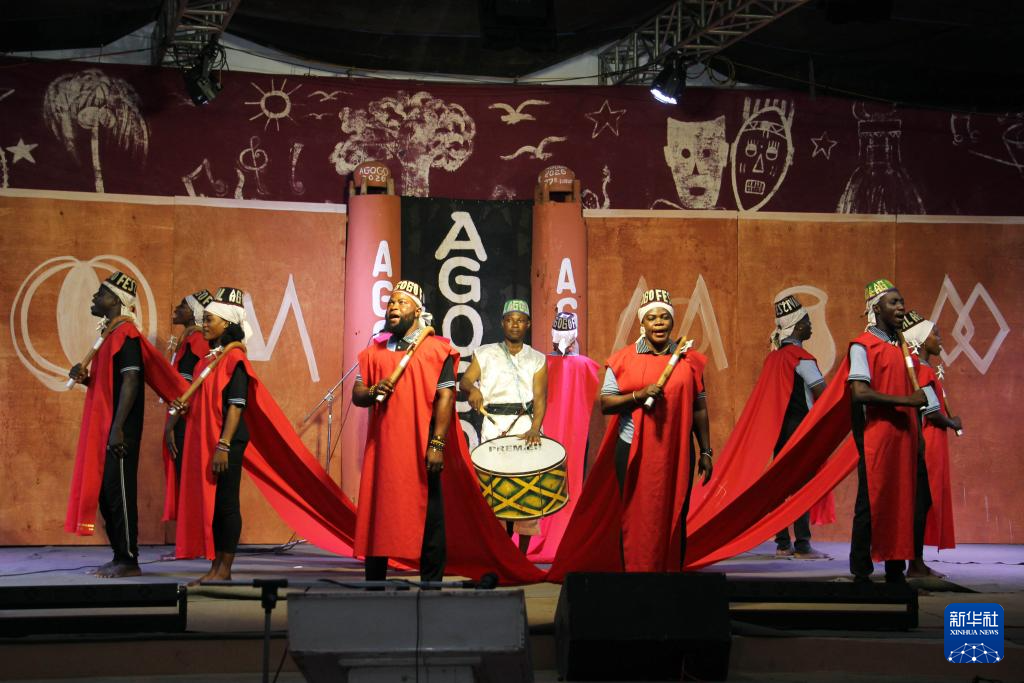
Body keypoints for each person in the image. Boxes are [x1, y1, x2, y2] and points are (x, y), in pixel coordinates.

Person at [548, 288, 712, 576]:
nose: (659, 323)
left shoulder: (689, 362)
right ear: (642, 323)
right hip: (633, 450)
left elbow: (699, 408)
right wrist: (638, 396)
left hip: (678, 451)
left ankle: (671, 577)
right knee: (636, 516)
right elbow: (606, 403)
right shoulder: (623, 359)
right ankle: (635, 578)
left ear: (672, 321)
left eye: (664, 317)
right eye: (652, 318)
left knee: (676, 513)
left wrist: (706, 451)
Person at [66, 271, 185, 578]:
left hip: (120, 428)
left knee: (119, 492)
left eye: (101, 294)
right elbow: (113, 385)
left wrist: (118, 428)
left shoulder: (127, 336)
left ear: (116, 300)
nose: (95, 298)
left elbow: (132, 380)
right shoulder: (111, 335)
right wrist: (87, 379)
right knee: (107, 493)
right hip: (109, 426)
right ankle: (120, 555)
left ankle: (130, 560)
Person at [352, 280, 456, 582]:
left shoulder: (437, 350)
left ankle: (432, 583)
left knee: (430, 513)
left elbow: (446, 397)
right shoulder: (373, 352)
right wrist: (374, 390)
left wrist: (437, 444)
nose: (393, 307)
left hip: (420, 443)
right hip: (383, 447)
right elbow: (358, 395)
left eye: (401, 303)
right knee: (378, 512)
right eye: (390, 303)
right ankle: (374, 584)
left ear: (418, 311)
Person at [847, 280, 936, 584]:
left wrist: (918, 437)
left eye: (901, 302)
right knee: (871, 502)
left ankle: (895, 572)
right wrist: (907, 401)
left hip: (905, 437)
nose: (901, 308)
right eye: (894, 303)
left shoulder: (902, 347)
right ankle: (861, 572)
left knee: (903, 502)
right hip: (879, 435)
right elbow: (859, 393)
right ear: (877, 308)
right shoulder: (862, 345)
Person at [168, 287, 254, 584]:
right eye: (203, 319)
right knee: (214, 506)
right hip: (209, 439)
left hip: (226, 441)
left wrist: (224, 445)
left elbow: (236, 405)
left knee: (226, 504)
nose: (203, 324)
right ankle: (215, 568)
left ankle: (224, 569)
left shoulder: (235, 358)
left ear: (227, 323)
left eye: (209, 320)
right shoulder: (209, 359)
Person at [460, 299, 548, 553]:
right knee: (495, 488)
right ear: (502, 323)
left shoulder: (537, 359)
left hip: (525, 426)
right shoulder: (485, 353)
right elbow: (465, 380)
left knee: (527, 489)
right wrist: (472, 389)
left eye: (520, 320)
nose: (515, 324)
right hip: (494, 425)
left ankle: (521, 554)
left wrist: (535, 427)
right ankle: (499, 551)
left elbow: (540, 398)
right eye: (509, 320)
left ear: (528, 324)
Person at [527, 311, 600, 562]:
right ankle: (563, 531)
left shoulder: (541, 363)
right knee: (568, 475)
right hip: (569, 431)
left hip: (548, 430)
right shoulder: (584, 365)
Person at [901, 311, 962, 578]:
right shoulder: (922, 371)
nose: (940, 339)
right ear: (923, 339)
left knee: (921, 503)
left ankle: (916, 562)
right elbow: (932, 412)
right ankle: (915, 564)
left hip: (927, 441)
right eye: (935, 334)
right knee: (921, 503)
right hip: (928, 443)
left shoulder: (920, 368)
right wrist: (953, 422)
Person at [768, 295, 829, 559]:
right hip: (800, 428)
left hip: (777, 430)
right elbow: (823, 393)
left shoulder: (774, 358)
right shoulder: (802, 358)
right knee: (802, 486)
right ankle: (803, 544)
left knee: (780, 486)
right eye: (807, 321)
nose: (811, 325)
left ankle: (783, 544)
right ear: (797, 326)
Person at [161, 289, 212, 523]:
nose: (176, 309)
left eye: (182, 305)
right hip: (184, 418)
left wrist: (171, 425)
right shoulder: (190, 339)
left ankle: (193, 536)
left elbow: (187, 389)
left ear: (194, 312)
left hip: (185, 421)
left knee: (187, 480)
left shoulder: (196, 340)